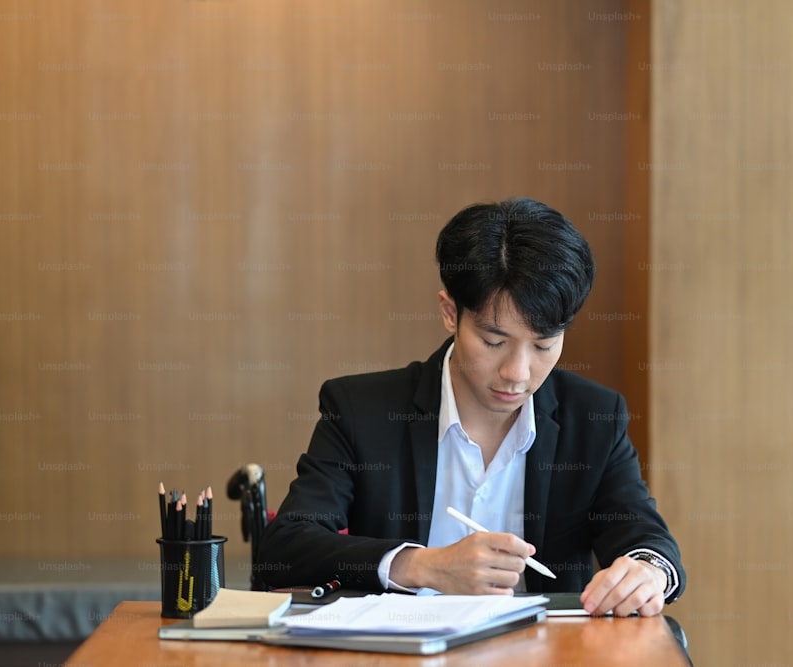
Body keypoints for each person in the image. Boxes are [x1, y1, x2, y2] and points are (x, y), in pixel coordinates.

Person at [257, 198, 685, 616]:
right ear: (450, 313)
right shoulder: (361, 410)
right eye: (494, 342)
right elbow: (285, 546)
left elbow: (643, 533)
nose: (518, 373)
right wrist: (422, 566)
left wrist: (649, 571)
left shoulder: (593, 416)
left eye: (543, 345)